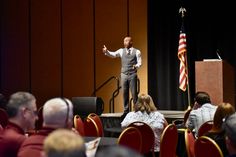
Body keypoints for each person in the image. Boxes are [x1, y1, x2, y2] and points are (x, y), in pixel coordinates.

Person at [103, 36, 142, 117]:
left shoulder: (137, 51)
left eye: (127, 41)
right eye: (124, 41)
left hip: (132, 74)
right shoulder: (121, 51)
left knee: (134, 93)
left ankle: (137, 111)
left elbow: (139, 63)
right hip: (124, 74)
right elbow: (113, 54)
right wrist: (106, 52)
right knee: (124, 93)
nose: (125, 42)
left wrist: (136, 66)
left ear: (131, 42)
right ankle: (126, 111)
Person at [0, 91, 38, 157]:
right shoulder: (20, 141)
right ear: (25, 112)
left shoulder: (4, 134)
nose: (37, 118)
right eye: (35, 112)